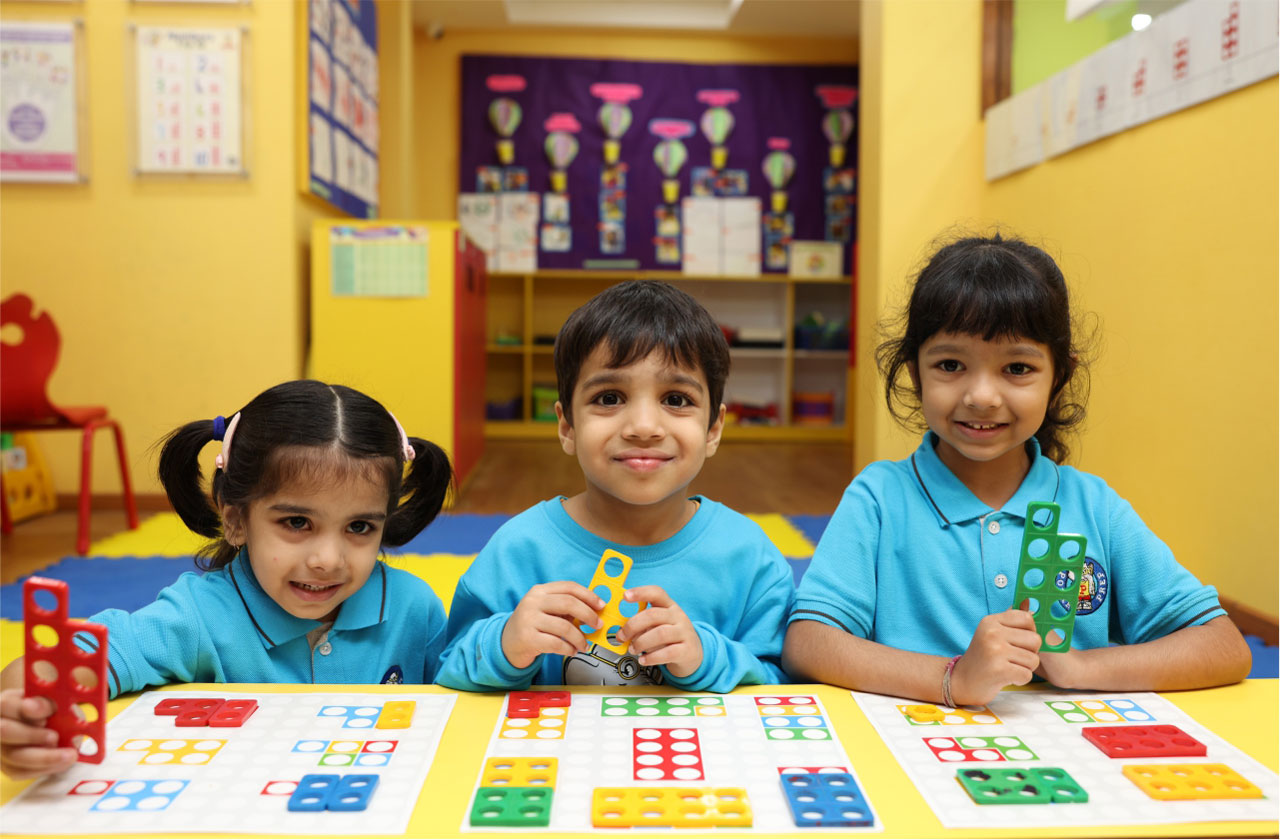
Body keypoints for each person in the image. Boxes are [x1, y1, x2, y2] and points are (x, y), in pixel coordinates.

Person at [783, 233, 1250, 706]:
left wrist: (1081, 667)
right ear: (914, 372)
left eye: (1018, 369)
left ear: (1059, 377)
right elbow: (808, 643)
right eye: (951, 364)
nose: (982, 396)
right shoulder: (880, 499)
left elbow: (1223, 646)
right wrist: (953, 679)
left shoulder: (1095, 508)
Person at [1, 380, 452, 779]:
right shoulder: (199, 617)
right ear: (235, 521)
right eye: (297, 523)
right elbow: (68, 663)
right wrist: (24, 709)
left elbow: (459, 708)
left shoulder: (413, 608)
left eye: (359, 527)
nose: (327, 560)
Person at [437, 280, 794, 692]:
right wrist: (504, 645)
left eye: (676, 399)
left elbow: (786, 683)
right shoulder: (518, 551)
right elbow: (445, 669)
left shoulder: (749, 557)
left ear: (713, 429)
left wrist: (706, 657)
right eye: (609, 398)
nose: (643, 427)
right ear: (567, 426)